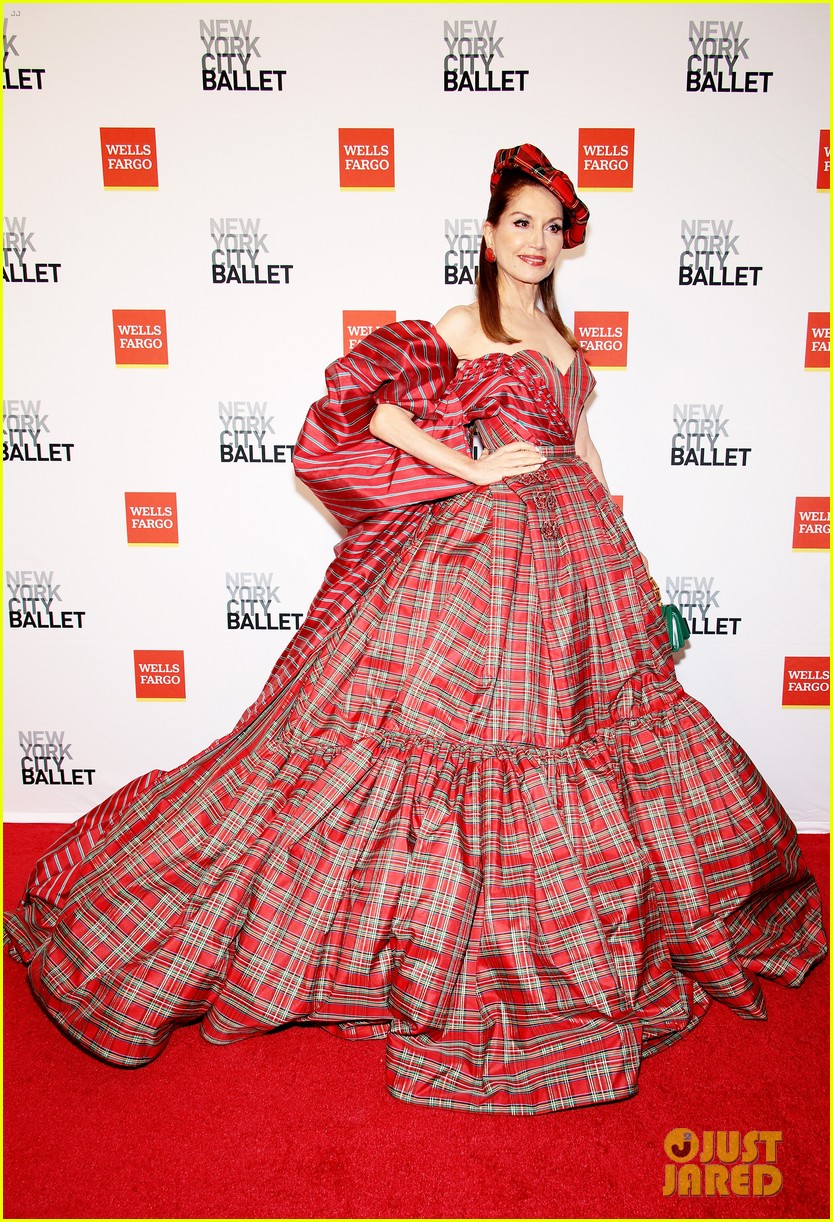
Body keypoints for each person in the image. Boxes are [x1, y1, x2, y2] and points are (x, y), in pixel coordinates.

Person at [5, 144, 827, 1115]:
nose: (533, 240)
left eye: (549, 226)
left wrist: (622, 545)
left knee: (584, 737)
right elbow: (379, 415)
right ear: (487, 235)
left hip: (577, 557)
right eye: (517, 222)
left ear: (563, 244)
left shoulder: (566, 341)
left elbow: (583, 445)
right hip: (483, 559)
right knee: (451, 746)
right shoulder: (460, 324)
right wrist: (474, 471)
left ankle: (542, 943)